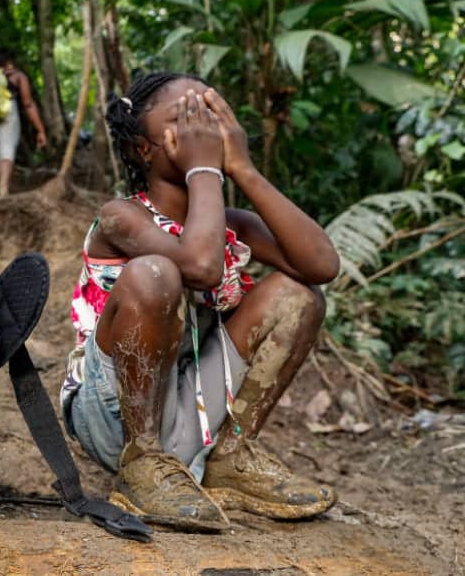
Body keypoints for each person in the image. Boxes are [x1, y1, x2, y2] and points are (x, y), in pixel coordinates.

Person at [60, 71, 341, 531]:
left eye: (211, 116)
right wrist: (205, 169)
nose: (201, 130)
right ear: (140, 148)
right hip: (112, 415)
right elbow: (200, 267)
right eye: (184, 118)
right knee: (156, 273)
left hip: (195, 411)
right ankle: (142, 464)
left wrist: (243, 169)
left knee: (297, 295)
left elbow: (322, 265)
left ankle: (229, 457)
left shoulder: (235, 226)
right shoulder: (120, 218)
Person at [0, 49, 48, 199]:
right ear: (11, 61)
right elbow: (28, 104)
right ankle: (2, 193)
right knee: (6, 153)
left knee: (0, 153)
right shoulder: (17, 76)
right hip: (6, 112)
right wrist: (40, 130)